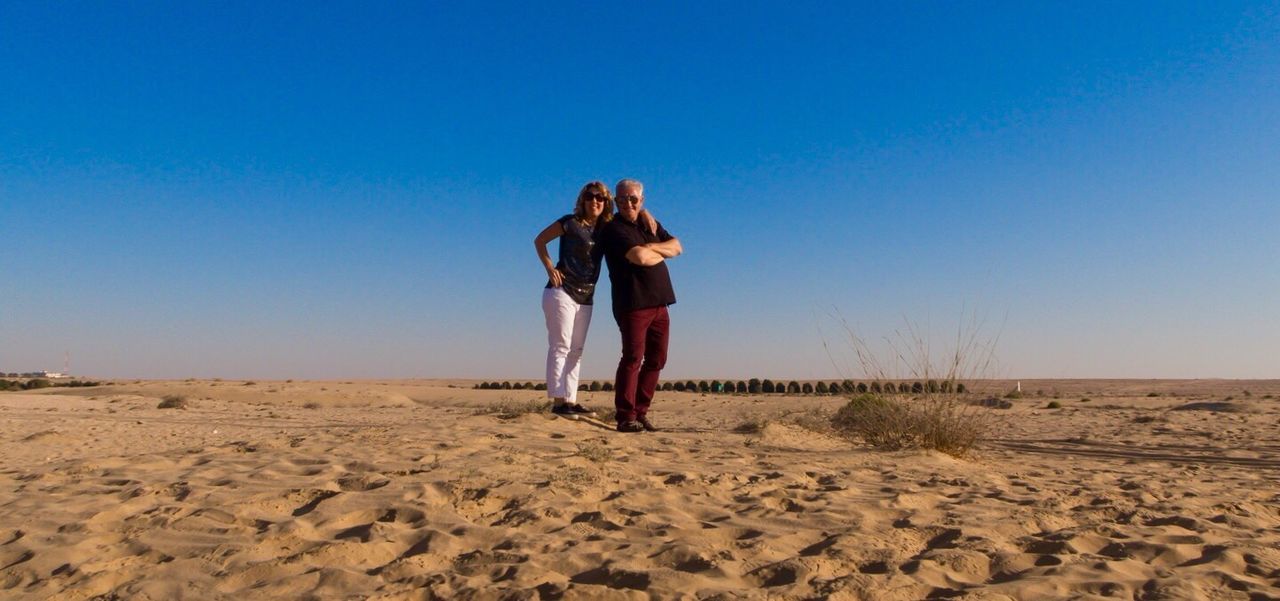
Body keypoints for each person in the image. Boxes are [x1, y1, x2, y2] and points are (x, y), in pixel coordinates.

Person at [533, 182, 657, 417]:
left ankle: (570, 400)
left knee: (576, 350)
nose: (595, 201)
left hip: (587, 295)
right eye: (590, 197)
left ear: (606, 202)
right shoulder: (569, 223)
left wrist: (645, 211)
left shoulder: (607, 228)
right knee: (561, 346)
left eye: (600, 198)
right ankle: (559, 403)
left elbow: (631, 210)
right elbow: (539, 240)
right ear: (583, 200)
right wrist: (549, 267)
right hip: (561, 291)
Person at [599, 178, 682, 433]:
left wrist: (651, 245)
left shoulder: (650, 225)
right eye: (622, 199)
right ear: (616, 200)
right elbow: (640, 258)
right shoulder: (614, 229)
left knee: (657, 359)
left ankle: (641, 411)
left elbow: (678, 246)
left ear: (642, 200)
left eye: (633, 199)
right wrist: (657, 250)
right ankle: (625, 416)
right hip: (633, 303)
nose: (628, 203)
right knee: (633, 358)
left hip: (660, 303)